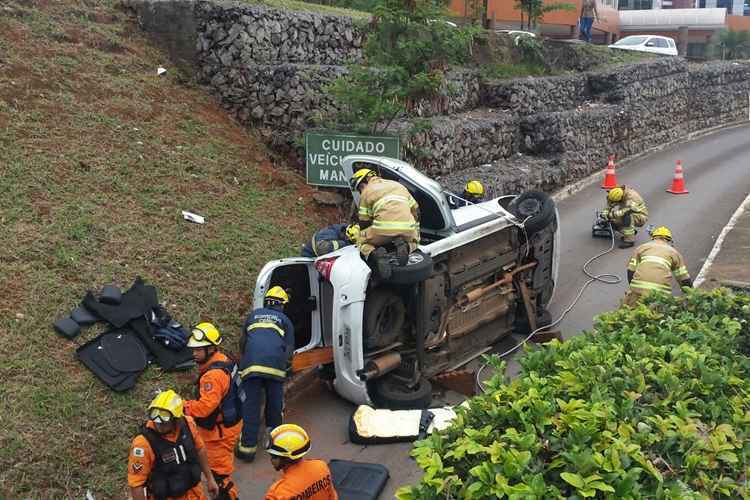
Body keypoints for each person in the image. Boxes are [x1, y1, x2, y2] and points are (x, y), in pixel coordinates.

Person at [235, 286, 295, 463]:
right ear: (282, 305)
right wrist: (287, 367)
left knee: (251, 407)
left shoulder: (253, 315)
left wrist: (246, 361)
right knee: (274, 404)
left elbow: (243, 343)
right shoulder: (285, 320)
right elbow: (289, 349)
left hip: (251, 367)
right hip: (275, 368)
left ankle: (247, 449)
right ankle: (276, 443)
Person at [183, 323, 242, 499]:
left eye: (198, 349)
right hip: (227, 426)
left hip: (219, 435)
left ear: (211, 348)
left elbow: (205, 408)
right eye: (193, 349)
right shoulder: (223, 360)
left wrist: (183, 406)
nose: (194, 353)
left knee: (219, 478)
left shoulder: (212, 376)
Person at [127, 390, 219, 500]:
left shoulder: (188, 424)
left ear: (177, 419)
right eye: (155, 416)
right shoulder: (143, 444)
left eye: (164, 419)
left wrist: (210, 478)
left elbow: (200, 449)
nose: (159, 423)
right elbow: (136, 484)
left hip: (194, 493)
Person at [349, 168, 420, 279]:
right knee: (416, 238)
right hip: (407, 228)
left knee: (360, 240)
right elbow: (416, 210)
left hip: (383, 230)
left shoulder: (366, 193)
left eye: (360, 187)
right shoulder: (398, 186)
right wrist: (413, 227)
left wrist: (366, 236)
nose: (361, 191)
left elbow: (364, 223)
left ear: (367, 180)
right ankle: (406, 246)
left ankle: (376, 254)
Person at [622, 226, 692, 308]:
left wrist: (633, 289)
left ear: (653, 238)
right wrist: (691, 296)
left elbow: (630, 270)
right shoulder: (674, 253)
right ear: (668, 240)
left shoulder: (642, 247)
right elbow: (684, 279)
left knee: (631, 311)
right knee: (658, 315)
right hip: (660, 293)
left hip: (638, 289)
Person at [264, 424, 338, 500]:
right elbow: (332, 496)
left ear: (286, 458)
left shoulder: (278, 493)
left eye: (273, 456)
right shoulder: (321, 466)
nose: (271, 460)